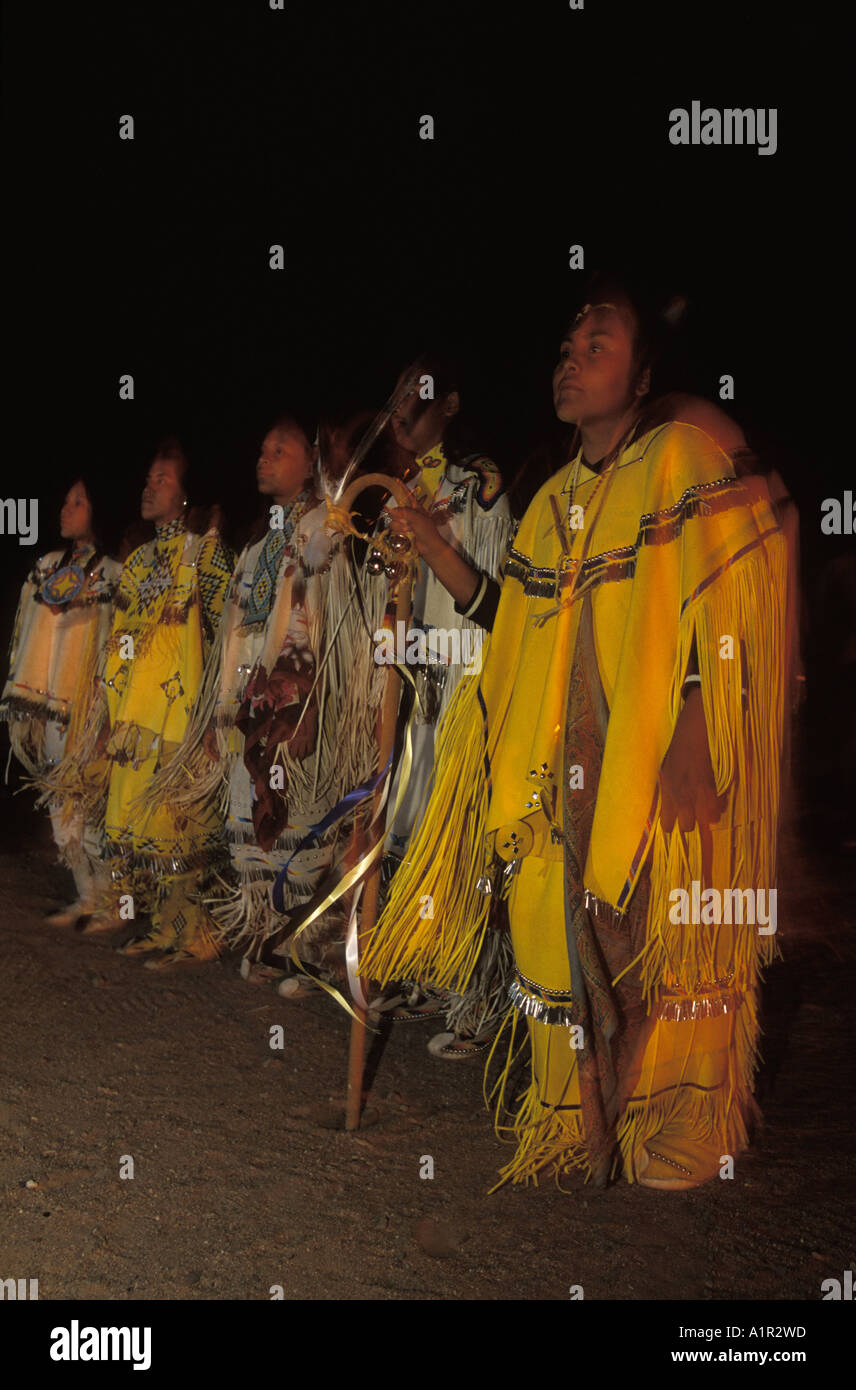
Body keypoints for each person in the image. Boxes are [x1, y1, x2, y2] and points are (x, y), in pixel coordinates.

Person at [364, 277, 787, 1188]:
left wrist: (700, 732)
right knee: (557, 929)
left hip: (657, 754)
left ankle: (674, 1132)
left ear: (641, 380)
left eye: (597, 345)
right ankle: (577, 1118)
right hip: (561, 770)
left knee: (664, 936)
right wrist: (437, 553)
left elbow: (734, 605)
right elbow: (508, 625)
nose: (571, 358)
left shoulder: (682, 461)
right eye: (565, 346)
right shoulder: (552, 501)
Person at [346, 355, 517, 1054]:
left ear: (449, 402)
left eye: (414, 395)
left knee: (464, 842)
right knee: (413, 838)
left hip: (465, 686)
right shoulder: (393, 491)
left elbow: (499, 602)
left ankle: (483, 996)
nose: (399, 411)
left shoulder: (481, 484)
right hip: (410, 691)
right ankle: (431, 967)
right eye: (392, 397)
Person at [150, 418, 351, 989]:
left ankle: (309, 949)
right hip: (248, 711)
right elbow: (233, 635)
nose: (263, 458)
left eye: (278, 450)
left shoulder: (326, 533)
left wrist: (307, 705)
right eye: (261, 449)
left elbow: (321, 628)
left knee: (299, 824)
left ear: (310, 462)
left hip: (297, 708)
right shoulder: (257, 547)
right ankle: (269, 939)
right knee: (251, 825)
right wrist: (219, 715)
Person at [49, 441, 235, 964]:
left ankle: (196, 933)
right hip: (133, 716)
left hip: (180, 717)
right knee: (140, 830)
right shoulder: (138, 563)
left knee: (179, 827)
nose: (148, 487)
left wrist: (214, 719)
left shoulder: (208, 552)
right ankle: (160, 926)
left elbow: (220, 639)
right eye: (148, 478)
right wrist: (111, 711)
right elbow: (119, 642)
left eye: (162, 480)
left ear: (185, 494)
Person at [2, 477, 122, 926]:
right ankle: (86, 895)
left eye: (78, 503)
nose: (65, 510)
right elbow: (27, 636)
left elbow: (116, 644)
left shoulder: (113, 574)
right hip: (46, 707)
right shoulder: (47, 566)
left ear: (98, 511)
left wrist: (107, 709)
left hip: (88, 711)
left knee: (91, 804)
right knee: (60, 804)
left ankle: (111, 901)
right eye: (65, 501)